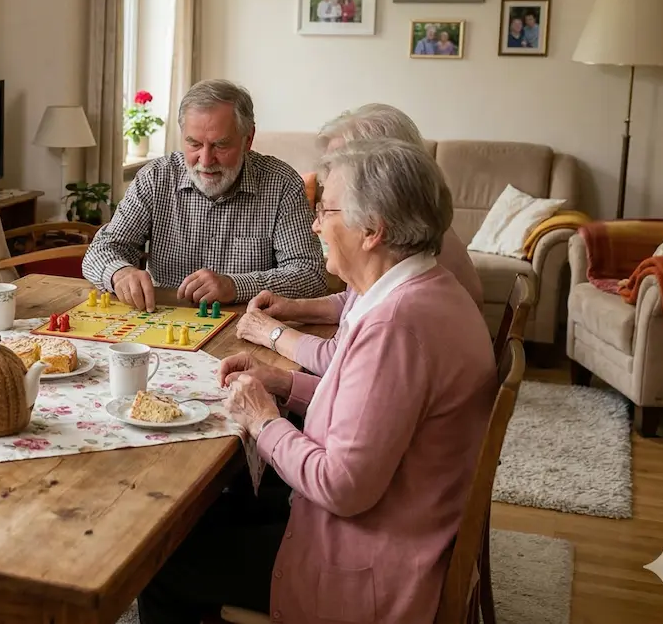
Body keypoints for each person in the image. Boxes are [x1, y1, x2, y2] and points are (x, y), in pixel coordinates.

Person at [137, 139, 496, 624]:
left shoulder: (395, 326)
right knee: (214, 508)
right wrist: (283, 384)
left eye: (325, 210)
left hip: (368, 564)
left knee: (162, 558)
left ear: (372, 230)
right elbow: (371, 404)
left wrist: (264, 422)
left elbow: (342, 485)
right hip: (406, 521)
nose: (314, 225)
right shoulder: (429, 290)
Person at [236, 103, 485, 375]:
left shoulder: (410, 253)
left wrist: (272, 334)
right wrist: (293, 308)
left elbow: (344, 361)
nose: (328, 176)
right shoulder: (409, 236)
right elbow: (355, 302)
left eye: (341, 163)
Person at [81, 79, 326, 311]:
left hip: (248, 328)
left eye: (220, 145)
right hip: (164, 322)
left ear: (248, 139)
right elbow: (102, 249)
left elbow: (311, 275)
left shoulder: (281, 184)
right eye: (194, 144)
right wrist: (120, 273)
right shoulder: (156, 178)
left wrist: (235, 286)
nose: (206, 161)